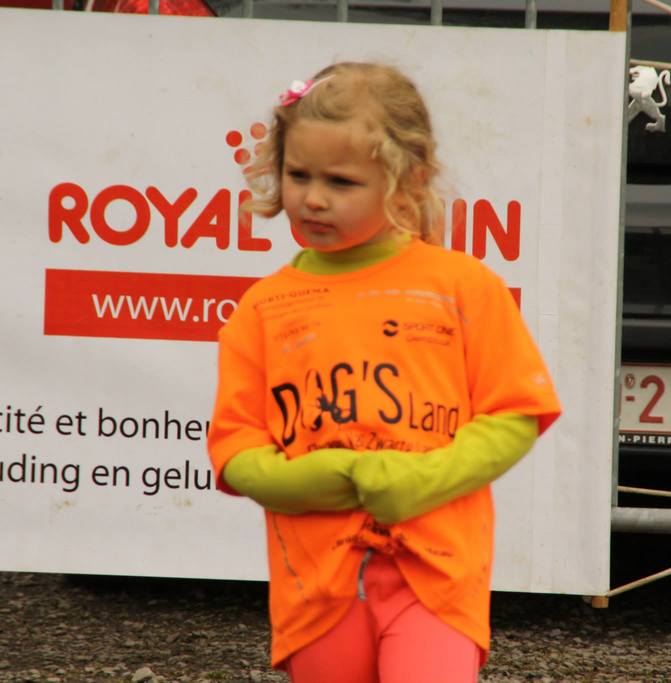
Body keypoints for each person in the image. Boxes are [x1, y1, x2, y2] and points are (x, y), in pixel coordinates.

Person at [207, 61, 561, 683]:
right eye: (298, 174)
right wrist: (322, 478)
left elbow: (516, 412)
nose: (313, 198)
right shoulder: (262, 308)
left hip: (439, 578)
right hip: (315, 589)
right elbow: (235, 449)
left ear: (407, 180)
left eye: (341, 181)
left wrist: (419, 481)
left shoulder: (463, 286)